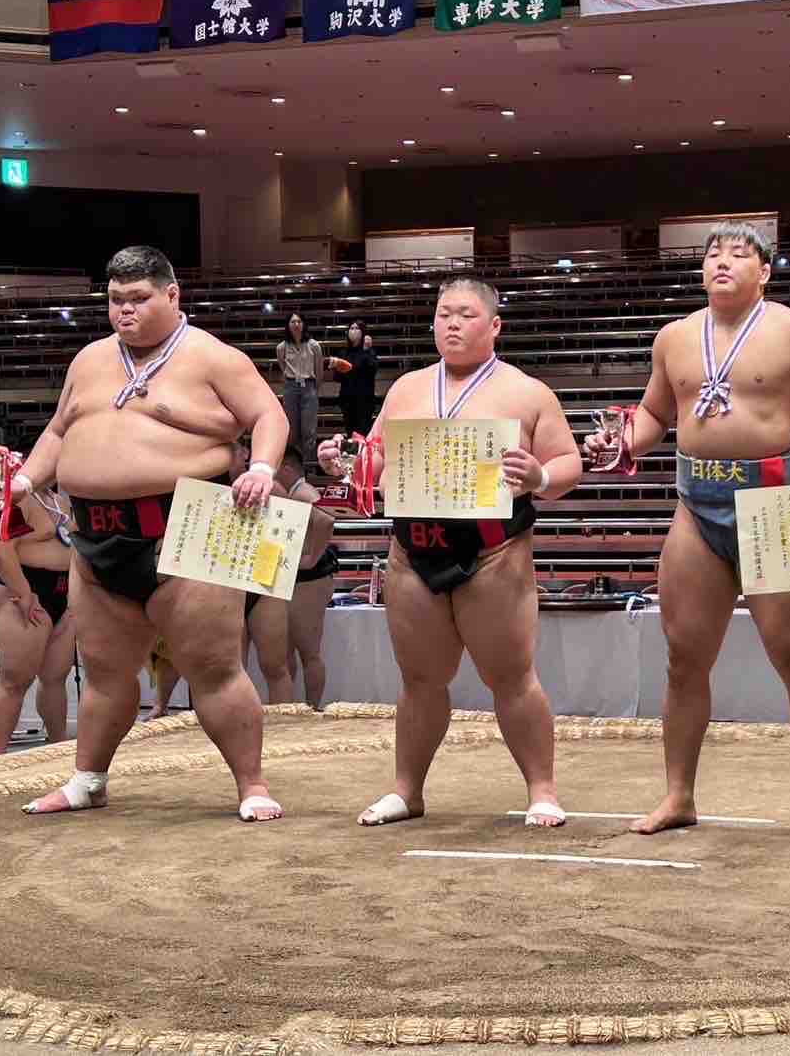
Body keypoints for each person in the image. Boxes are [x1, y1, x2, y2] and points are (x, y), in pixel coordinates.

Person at [583, 221, 790, 847]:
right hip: (696, 503)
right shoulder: (674, 336)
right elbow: (655, 412)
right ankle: (678, 795)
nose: (723, 262)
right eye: (713, 253)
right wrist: (623, 442)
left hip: (776, 501)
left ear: (764, 271)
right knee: (683, 659)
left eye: (739, 254)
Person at [11, 244, 288, 822]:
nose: (125, 311)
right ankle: (89, 780)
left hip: (187, 526)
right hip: (95, 537)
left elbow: (269, 415)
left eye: (138, 299)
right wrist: (25, 479)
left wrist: (262, 467)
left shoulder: (211, 356)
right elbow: (59, 431)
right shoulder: (89, 360)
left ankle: (253, 784)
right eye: (115, 300)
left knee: (214, 667)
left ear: (171, 294)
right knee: (104, 673)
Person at [317, 277, 581, 828]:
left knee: (511, 676)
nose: (451, 324)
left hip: (493, 550)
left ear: (495, 325)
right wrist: (343, 464)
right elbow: (375, 458)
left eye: (465, 314)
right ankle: (407, 791)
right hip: (413, 548)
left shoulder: (528, 392)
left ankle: (543, 790)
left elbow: (568, 464)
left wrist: (539, 476)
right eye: (443, 314)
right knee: (419, 679)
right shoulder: (407, 388)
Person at [0, 486, 77, 753]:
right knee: (15, 681)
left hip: (63, 593)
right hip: (23, 591)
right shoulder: (11, 497)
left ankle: (57, 751)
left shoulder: (58, 500)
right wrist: (23, 592)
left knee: (56, 678)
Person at [228, 436, 296, 706]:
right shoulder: (208, 485)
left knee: (275, 665)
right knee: (230, 668)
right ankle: (234, 725)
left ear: (245, 452)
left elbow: (292, 527)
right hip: (225, 581)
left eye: (231, 450)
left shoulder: (273, 487)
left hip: (263, 579)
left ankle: (283, 724)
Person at [276, 446, 337, 710]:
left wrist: (311, 557)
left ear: (287, 468)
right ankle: (291, 707)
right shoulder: (292, 493)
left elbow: (326, 519)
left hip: (310, 579)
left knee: (309, 651)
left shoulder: (303, 492)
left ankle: (313, 708)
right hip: (295, 578)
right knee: (286, 652)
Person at [274, 313, 323, 457]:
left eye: (299, 321)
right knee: (292, 428)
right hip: (291, 386)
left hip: (309, 385)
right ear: (288, 325)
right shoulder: (281, 347)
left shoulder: (314, 345)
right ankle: (294, 463)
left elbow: (319, 369)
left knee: (309, 429)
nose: (296, 324)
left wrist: (314, 388)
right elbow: (283, 366)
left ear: (303, 324)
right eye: (293, 322)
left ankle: (309, 464)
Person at [331, 320, 379, 438]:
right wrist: (336, 367)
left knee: (363, 432)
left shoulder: (369, 351)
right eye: (351, 328)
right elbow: (337, 378)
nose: (353, 331)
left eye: (357, 328)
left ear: (363, 332)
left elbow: (373, 370)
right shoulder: (343, 353)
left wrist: (366, 350)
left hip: (365, 399)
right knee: (350, 433)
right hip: (347, 399)